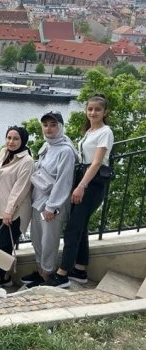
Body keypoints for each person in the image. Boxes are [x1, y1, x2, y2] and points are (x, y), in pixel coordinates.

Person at [47, 96, 114, 288]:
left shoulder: (105, 132)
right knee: (81, 227)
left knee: (73, 229)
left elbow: (97, 162)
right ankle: (80, 269)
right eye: (90, 109)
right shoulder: (90, 131)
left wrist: (81, 186)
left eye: (97, 110)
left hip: (91, 183)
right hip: (84, 178)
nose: (93, 113)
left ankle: (62, 274)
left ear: (105, 112)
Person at [22, 112, 77, 288]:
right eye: (45, 125)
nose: (48, 128)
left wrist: (52, 207)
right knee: (37, 238)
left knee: (49, 242)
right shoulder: (47, 146)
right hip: (38, 200)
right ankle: (41, 271)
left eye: (53, 125)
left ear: (60, 127)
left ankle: (47, 274)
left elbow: (64, 181)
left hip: (52, 206)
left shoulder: (65, 151)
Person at [0, 126, 34, 289]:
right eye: (9, 138)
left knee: (4, 245)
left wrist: (9, 211)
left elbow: (20, 190)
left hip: (15, 211)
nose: (11, 142)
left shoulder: (26, 161)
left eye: (15, 139)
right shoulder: (4, 153)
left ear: (23, 141)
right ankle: (5, 276)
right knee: (2, 243)